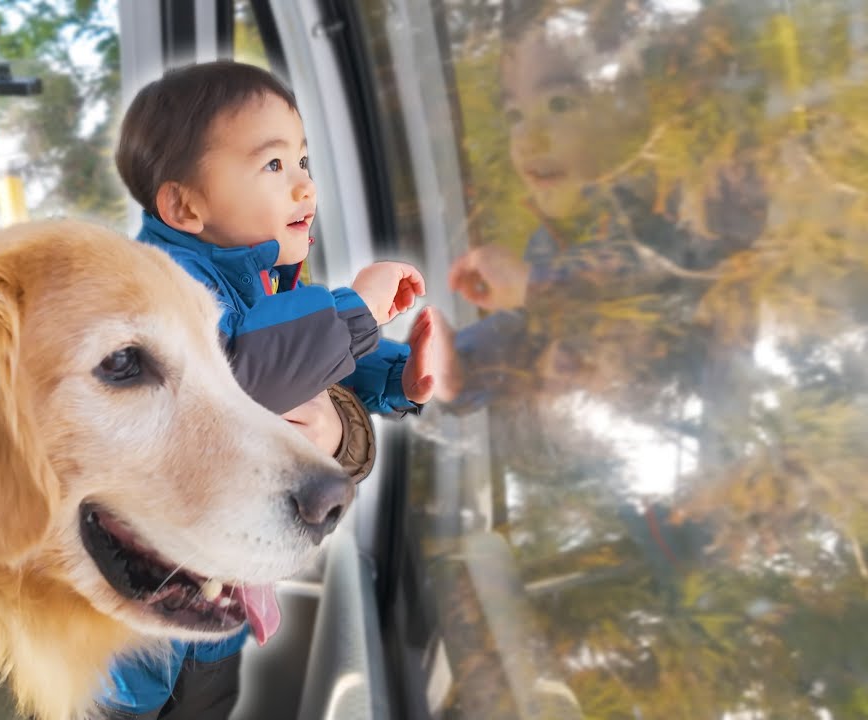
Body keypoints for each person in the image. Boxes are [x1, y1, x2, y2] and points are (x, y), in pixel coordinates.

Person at [103, 60, 464, 719]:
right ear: (185, 206)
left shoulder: (269, 283)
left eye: (304, 161)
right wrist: (354, 309)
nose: (304, 187)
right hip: (143, 612)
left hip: (217, 597)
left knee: (206, 699)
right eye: (273, 167)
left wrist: (399, 377)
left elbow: (316, 361)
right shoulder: (159, 284)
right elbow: (238, 365)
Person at [441, 0, 765, 412]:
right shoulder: (547, 245)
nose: (529, 139)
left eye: (559, 104)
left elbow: (662, 272)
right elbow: (520, 332)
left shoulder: (675, 204)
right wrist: (461, 363)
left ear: (629, 114)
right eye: (514, 115)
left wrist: (533, 284)